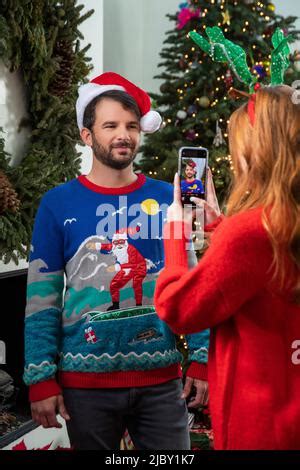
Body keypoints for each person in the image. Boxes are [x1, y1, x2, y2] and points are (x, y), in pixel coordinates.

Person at [23, 72, 209, 450]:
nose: (123, 134)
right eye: (110, 125)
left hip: (161, 381)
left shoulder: (168, 197)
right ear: (87, 135)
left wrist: (204, 357)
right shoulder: (57, 204)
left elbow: (193, 281)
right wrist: (40, 376)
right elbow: (42, 296)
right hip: (84, 386)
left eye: (131, 125)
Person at [154, 85, 300, 450]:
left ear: (260, 151)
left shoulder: (250, 232)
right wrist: (220, 227)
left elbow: (178, 309)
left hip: (262, 427)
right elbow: (260, 278)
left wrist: (175, 233)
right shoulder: (282, 225)